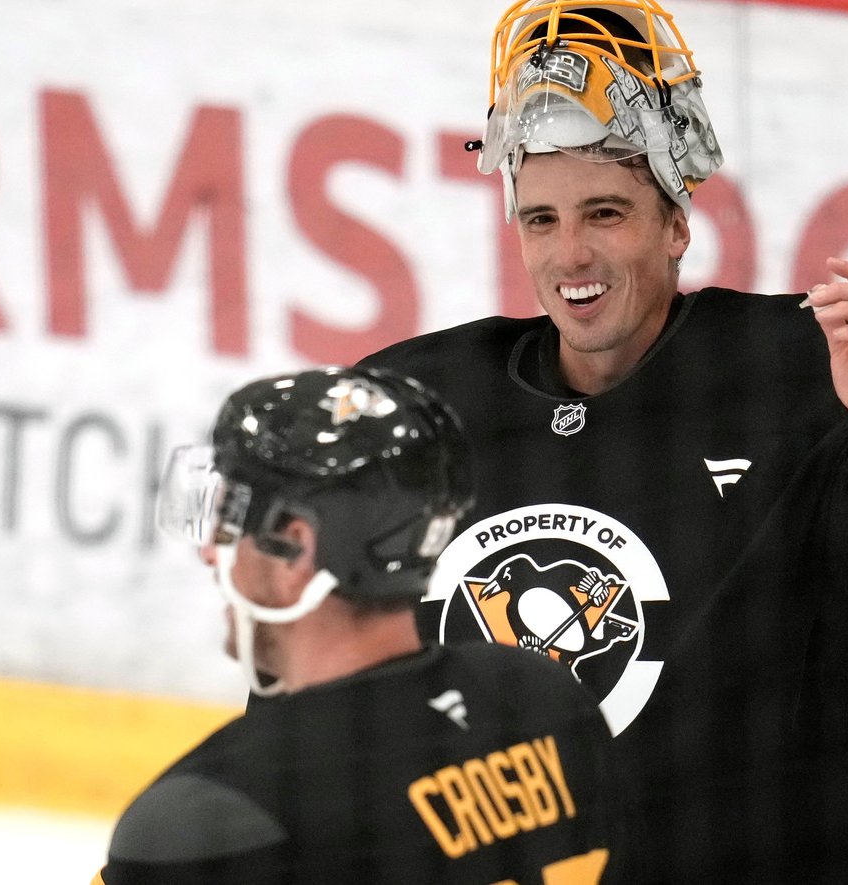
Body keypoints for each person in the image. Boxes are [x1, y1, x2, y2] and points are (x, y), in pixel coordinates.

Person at [357, 0, 848, 883]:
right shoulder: (432, 399)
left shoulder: (793, 377)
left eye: (605, 213)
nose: (569, 254)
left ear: (676, 226)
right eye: (542, 219)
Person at [95, 366, 630, 884]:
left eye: (231, 521)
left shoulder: (215, 814)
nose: (212, 552)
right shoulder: (544, 700)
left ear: (295, 547)